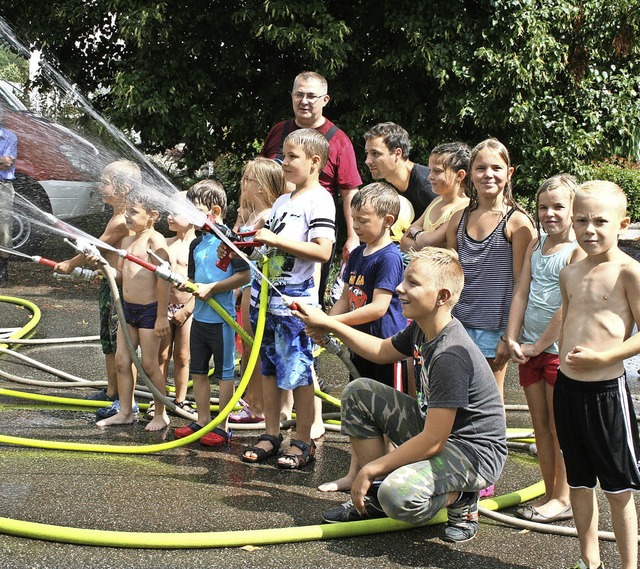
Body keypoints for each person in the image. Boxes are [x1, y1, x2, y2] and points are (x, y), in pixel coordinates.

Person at [295, 247, 507, 543]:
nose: (399, 288)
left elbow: (433, 441)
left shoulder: (451, 354)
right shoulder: (422, 329)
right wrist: (330, 324)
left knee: (397, 496)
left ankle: (460, 498)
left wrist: (370, 468)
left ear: (442, 297)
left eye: (412, 283)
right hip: (441, 435)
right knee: (359, 392)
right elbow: (382, 352)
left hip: (474, 454)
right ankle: (374, 497)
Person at [556, 181, 640, 569]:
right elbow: (567, 323)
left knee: (618, 488)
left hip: (607, 392)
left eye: (600, 221)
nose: (589, 229)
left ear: (622, 224)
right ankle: (590, 562)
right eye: (581, 220)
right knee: (578, 480)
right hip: (568, 390)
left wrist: (602, 357)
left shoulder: (629, 272)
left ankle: (628, 565)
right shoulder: (570, 273)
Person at [242, 128, 335, 469]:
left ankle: (303, 440)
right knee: (268, 369)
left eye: (292, 156)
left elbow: (323, 251)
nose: (284, 162)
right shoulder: (283, 201)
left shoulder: (320, 200)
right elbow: (269, 245)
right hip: (264, 301)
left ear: (314, 162)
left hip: (294, 303)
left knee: (298, 373)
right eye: (283, 155)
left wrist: (276, 242)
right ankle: (271, 432)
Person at [502, 174, 584, 524]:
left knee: (559, 426)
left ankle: (563, 497)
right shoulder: (536, 245)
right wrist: (511, 336)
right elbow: (522, 289)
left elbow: (566, 306)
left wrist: (537, 344)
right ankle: (549, 492)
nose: (549, 213)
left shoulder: (577, 250)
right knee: (539, 425)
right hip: (530, 350)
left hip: (554, 351)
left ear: (574, 210)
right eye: (542, 207)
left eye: (558, 207)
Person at [317, 181, 407, 493]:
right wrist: (324, 322)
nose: (356, 226)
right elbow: (345, 297)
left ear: (388, 221)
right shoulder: (357, 254)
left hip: (385, 347)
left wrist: (334, 324)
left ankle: (386, 479)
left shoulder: (390, 258)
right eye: (354, 220)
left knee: (387, 416)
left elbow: (378, 307)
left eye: (363, 221)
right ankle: (355, 474)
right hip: (358, 344)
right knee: (359, 412)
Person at [259, 71, 361, 306]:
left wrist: (353, 237)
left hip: (310, 232)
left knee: (304, 302)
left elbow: (349, 193)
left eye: (311, 96)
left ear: (325, 100)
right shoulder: (278, 131)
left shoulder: (339, 140)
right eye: (299, 94)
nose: (304, 101)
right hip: (272, 225)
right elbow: (259, 174)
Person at [445, 138, 535, 399]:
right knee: (456, 398)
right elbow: (450, 277)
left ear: (509, 174)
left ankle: (494, 443)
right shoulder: (459, 218)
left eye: (496, 168)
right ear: (470, 174)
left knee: (490, 400)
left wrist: (510, 336)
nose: (488, 175)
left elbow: (522, 285)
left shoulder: (517, 223)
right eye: (480, 168)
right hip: (457, 325)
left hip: (494, 328)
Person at [55, 160, 140, 409]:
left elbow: (95, 247)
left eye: (105, 183)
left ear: (123, 188)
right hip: (108, 283)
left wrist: (70, 264)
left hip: (120, 289)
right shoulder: (117, 216)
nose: (100, 187)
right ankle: (112, 391)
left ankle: (127, 400)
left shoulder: (122, 221)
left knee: (121, 345)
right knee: (108, 342)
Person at [173, 180, 250, 446]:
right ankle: (203, 420)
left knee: (225, 374)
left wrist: (213, 288)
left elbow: (244, 275)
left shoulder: (229, 239)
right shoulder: (197, 243)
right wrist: (187, 285)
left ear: (214, 211)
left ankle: (222, 426)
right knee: (198, 371)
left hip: (223, 320)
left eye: (193, 210)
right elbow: (195, 279)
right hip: (200, 319)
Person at [96, 189, 171, 431]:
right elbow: (120, 276)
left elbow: (164, 279)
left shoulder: (155, 241)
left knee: (149, 365)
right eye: (126, 210)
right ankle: (125, 411)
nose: (127, 215)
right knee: (121, 361)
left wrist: (161, 317)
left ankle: (161, 414)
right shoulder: (127, 240)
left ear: (152, 215)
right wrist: (103, 266)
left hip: (149, 312)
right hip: (127, 310)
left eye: (133, 211)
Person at [229, 157, 286, 424]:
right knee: (249, 346)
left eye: (249, 179)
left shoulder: (267, 216)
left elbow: (245, 249)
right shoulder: (252, 214)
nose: (243, 183)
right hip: (250, 287)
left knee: (256, 349)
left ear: (263, 187)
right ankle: (252, 401)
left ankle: (257, 405)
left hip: (259, 288)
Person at [158, 191, 196, 413]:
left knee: (183, 356)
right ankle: (159, 399)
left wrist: (188, 310)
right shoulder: (164, 243)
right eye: (168, 212)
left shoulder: (197, 247)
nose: (170, 217)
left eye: (176, 212)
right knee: (161, 355)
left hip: (188, 308)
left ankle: (180, 399)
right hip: (165, 307)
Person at [400, 142, 470, 252]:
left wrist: (417, 232)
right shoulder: (437, 201)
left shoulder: (463, 207)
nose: (430, 177)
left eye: (437, 171)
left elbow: (430, 242)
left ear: (460, 175)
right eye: (430, 170)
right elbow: (404, 241)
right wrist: (423, 238)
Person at [363, 122, 437, 219]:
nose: (367, 161)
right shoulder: (388, 189)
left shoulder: (428, 186)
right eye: (367, 153)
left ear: (398, 153)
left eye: (375, 153)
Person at [0, 105, 17, 284]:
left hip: (2, 187)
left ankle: (3, 272)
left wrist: (3, 162)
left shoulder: (9, 136)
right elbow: (2, 161)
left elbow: (6, 163)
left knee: (4, 229)